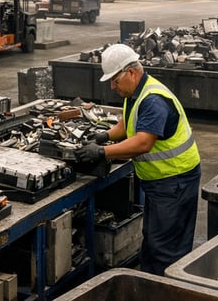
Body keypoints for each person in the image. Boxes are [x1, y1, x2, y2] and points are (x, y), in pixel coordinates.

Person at [74, 44, 202, 276]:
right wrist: (105, 135)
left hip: (175, 181)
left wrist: (102, 151)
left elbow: (143, 142)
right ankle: (153, 280)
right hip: (160, 182)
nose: (112, 86)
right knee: (154, 239)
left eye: (115, 80)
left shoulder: (153, 99)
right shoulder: (136, 93)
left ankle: (168, 287)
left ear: (131, 72)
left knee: (166, 248)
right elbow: (128, 123)